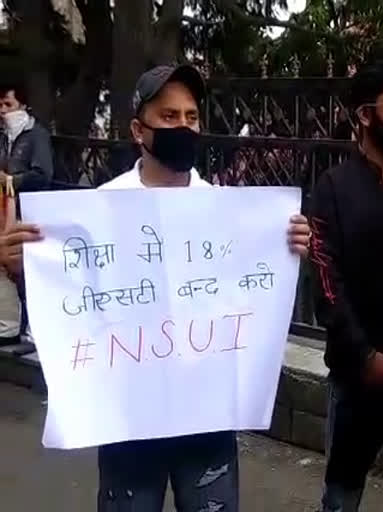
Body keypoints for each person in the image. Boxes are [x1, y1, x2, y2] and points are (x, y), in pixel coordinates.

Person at [0, 64, 312, 512]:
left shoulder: (229, 214)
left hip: (207, 414)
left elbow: (251, 294)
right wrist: (22, 268)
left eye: (191, 116)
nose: (183, 126)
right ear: (137, 130)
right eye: (168, 117)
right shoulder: (99, 211)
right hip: (130, 418)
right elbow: (72, 303)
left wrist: (285, 249)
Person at [308, 60, 383, 512]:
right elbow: (326, 281)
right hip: (354, 374)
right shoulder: (333, 187)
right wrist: (363, 357)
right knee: (341, 497)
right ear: (364, 115)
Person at [0, 81, 54, 193]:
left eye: (8, 105)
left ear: (23, 106)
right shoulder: (3, 134)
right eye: (0, 105)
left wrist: (12, 180)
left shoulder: (37, 134)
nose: (3, 110)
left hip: (27, 202)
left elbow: (43, 176)